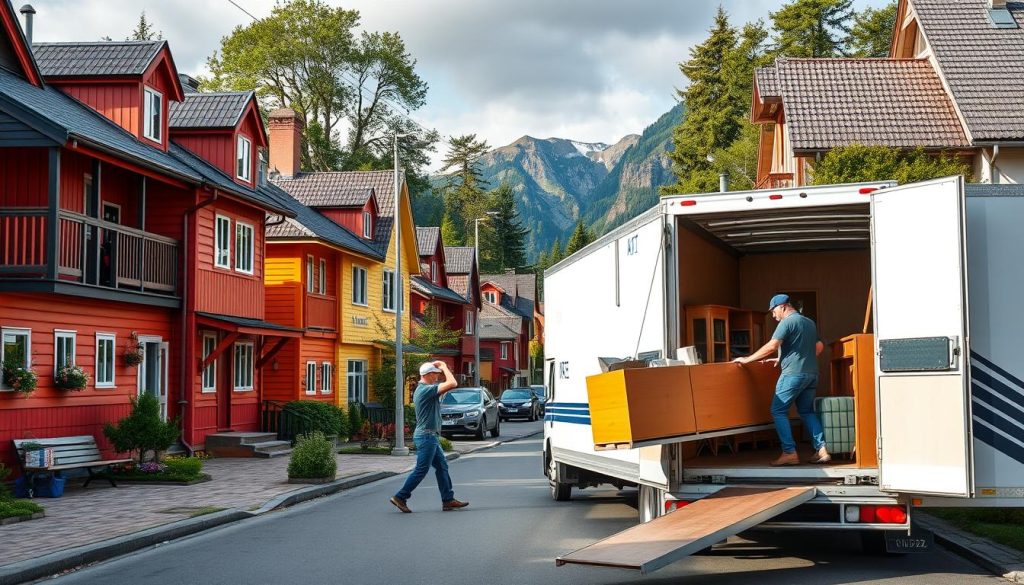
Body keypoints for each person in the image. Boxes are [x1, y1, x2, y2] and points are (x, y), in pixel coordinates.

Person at [733, 294, 830, 466]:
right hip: (812, 374)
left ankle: (789, 452)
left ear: (783, 306)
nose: (773, 315)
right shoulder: (809, 322)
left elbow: (772, 345)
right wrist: (787, 358)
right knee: (807, 411)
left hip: (793, 374)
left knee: (778, 411)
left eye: (773, 311)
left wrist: (747, 360)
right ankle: (822, 450)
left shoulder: (787, 322)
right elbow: (819, 347)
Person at [389, 361, 469, 513]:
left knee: (442, 466)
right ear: (427, 375)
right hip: (426, 436)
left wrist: (441, 369)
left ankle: (448, 500)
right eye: (435, 374)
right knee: (421, 469)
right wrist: (444, 366)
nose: (437, 377)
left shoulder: (425, 389)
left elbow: (447, 387)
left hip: (429, 436)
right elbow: (452, 383)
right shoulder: (426, 389)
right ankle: (401, 496)